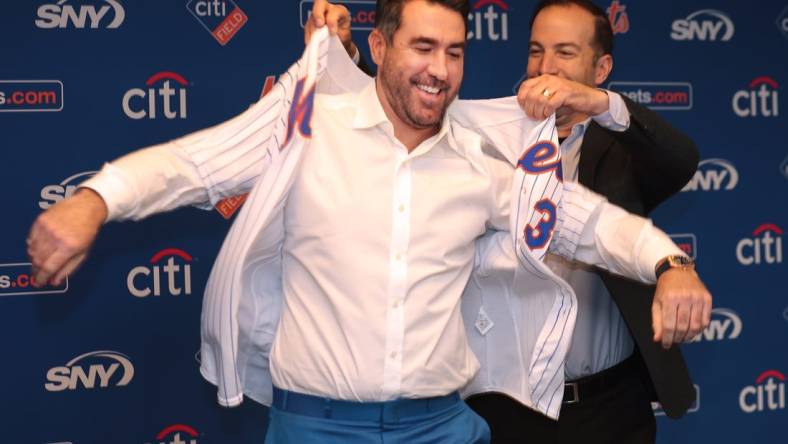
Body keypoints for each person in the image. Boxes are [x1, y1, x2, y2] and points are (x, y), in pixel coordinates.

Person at [28, 1, 709, 443]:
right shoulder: (305, 128)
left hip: (443, 426)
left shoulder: (479, 163)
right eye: (421, 47)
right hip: (314, 427)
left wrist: (667, 263)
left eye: (454, 52)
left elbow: (586, 222)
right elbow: (192, 165)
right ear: (380, 48)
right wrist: (95, 199)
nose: (438, 70)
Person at [311, 0, 703, 442]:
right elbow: (400, 106)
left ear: (601, 68)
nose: (546, 66)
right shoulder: (479, 138)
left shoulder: (623, 152)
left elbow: (681, 159)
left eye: (565, 52)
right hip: (505, 407)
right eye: (537, 50)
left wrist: (597, 104)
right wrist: (349, 58)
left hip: (609, 405)